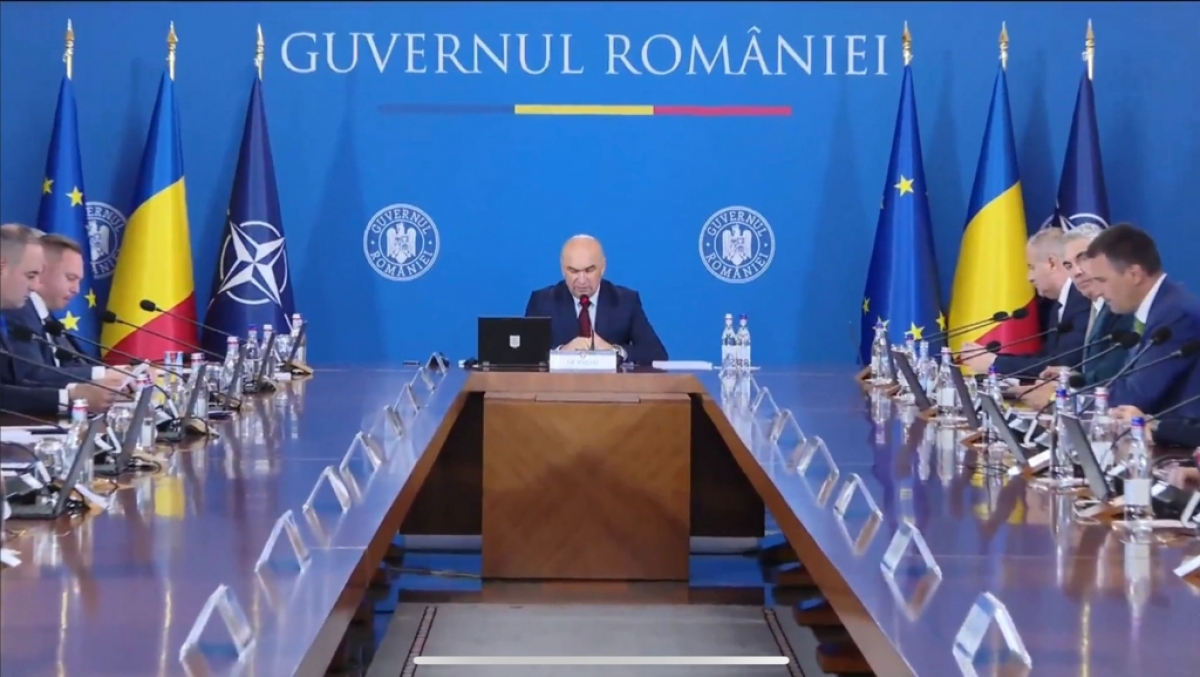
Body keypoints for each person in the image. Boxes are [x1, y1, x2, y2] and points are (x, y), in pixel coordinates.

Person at [1085, 223, 1200, 417]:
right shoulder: (1160, 308)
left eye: (1102, 280)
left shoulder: (1176, 316)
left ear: (1134, 274)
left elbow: (1136, 395)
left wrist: (1064, 397)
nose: (1097, 292)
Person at [0, 224, 115, 416]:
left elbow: (15, 383)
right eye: (30, 275)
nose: (35, 286)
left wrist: (73, 395)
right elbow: (26, 377)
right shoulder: (17, 316)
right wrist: (69, 398)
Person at [1018, 227, 1138, 408]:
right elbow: (1098, 375)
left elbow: (1112, 380)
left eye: (1083, 259)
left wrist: (1056, 398)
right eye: (1068, 266)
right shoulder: (1098, 307)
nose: (1076, 272)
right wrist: (1071, 377)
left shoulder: (1123, 309)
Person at [961, 227, 1090, 376]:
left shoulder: (1081, 300)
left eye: (1031, 267)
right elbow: (1043, 359)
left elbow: (1062, 365)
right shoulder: (1059, 306)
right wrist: (991, 358)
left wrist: (995, 363)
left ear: (1052, 264)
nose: (1030, 278)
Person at [524, 235, 668, 365]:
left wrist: (614, 351)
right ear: (563, 269)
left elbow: (657, 353)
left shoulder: (625, 301)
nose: (582, 280)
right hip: (560, 385)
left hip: (610, 385)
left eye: (589, 270)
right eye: (573, 271)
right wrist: (561, 353)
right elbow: (525, 355)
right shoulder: (542, 302)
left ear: (602, 267)